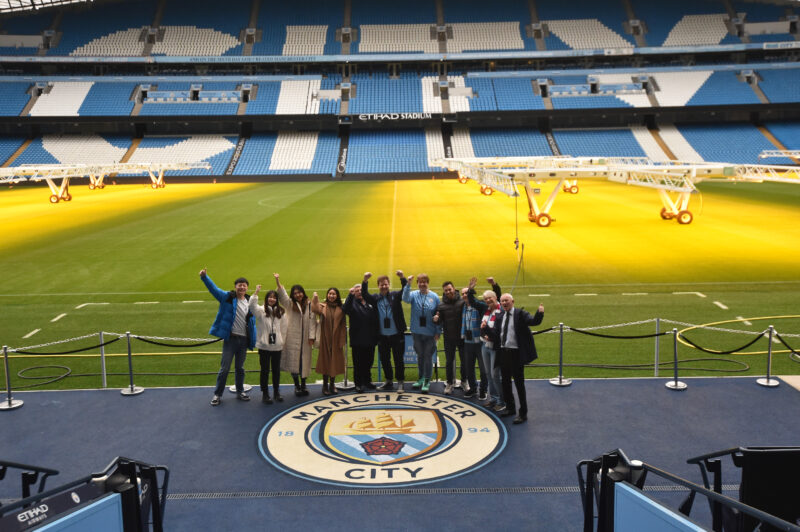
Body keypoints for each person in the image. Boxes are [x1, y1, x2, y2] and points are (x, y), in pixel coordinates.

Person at [483, 293, 544, 424]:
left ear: (513, 301)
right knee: (505, 383)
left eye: (507, 300)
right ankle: (510, 408)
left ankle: (523, 413)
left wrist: (539, 313)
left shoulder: (520, 314)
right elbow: (496, 335)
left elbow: (534, 321)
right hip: (503, 354)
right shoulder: (500, 316)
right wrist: (486, 328)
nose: (504, 303)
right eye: (502, 301)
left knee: (519, 384)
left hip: (516, 355)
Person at [199, 268, 256, 406]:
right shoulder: (227, 297)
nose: (242, 287)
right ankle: (217, 394)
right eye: (239, 285)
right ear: (235, 287)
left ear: (247, 288)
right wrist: (205, 277)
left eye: (244, 285)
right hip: (231, 340)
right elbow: (214, 289)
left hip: (243, 341)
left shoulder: (250, 301)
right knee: (224, 369)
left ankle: (240, 391)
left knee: (240, 368)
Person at [361, 271, 407, 391]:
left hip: (396, 335)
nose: (384, 286)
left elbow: (404, 290)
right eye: (381, 284)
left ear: (389, 284)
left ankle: (400, 382)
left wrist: (402, 278)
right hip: (382, 336)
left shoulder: (395, 296)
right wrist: (365, 280)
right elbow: (364, 294)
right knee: (385, 360)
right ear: (378, 286)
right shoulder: (375, 298)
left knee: (398, 360)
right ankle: (389, 380)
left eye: (386, 284)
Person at [275, 273, 317, 397]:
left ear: (303, 293)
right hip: (292, 338)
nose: (298, 295)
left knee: (304, 363)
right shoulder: (289, 304)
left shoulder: (309, 304)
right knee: (294, 362)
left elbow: (313, 321)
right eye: (295, 293)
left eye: (299, 292)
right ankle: (297, 385)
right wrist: (278, 281)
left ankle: (303, 384)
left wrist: (312, 336)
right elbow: (282, 295)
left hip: (306, 339)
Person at [468, 277, 505, 412]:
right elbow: (473, 301)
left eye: (490, 298)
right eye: (485, 299)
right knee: (489, 374)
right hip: (485, 345)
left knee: (496, 375)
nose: (488, 300)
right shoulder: (485, 308)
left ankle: (502, 400)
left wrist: (494, 284)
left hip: (496, 347)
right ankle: (494, 398)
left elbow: (500, 330)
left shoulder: (502, 310)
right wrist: (470, 289)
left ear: (496, 298)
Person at [461, 277, 501, 400]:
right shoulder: (464, 306)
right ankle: (474, 389)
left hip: (483, 343)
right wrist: (470, 289)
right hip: (469, 341)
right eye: (463, 294)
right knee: (470, 368)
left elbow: (496, 297)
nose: (465, 295)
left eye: (466, 293)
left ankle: (485, 391)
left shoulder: (483, 306)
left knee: (487, 371)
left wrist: (494, 285)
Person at [401, 273, 441, 393]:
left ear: (428, 283)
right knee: (420, 356)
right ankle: (421, 378)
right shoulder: (413, 294)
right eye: (420, 282)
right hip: (416, 333)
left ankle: (427, 380)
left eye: (424, 282)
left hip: (430, 333)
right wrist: (408, 284)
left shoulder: (434, 297)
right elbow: (405, 298)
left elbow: (439, 315)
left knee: (428, 357)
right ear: (417, 283)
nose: (422, 284)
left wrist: (438, 331)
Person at [250, 285, 288, 404]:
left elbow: (284, 329)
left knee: (276, 370)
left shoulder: (281, 312)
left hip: (277, 347)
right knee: (265, 371)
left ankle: (276, 392)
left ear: (277, 299)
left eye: (274, 297)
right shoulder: (260, 311)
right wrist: (256, 293)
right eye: (270, 297)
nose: (272, 299)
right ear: (266, 299)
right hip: (264, 347)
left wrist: (282, 342)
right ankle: (265, 393)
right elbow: (251, 306)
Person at [311, 287, 347, 395]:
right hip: (325, 339)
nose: (331, 296)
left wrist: (342, 340)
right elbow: (314, 309)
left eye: (334, 294)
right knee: (325, 362)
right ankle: (325, 385)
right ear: (327, 295)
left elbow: (343, 326)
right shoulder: (322, 306)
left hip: (336, 340)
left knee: (334, 362)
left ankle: (332, 384)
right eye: (330, 294)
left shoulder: (341, 308)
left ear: (337, 296)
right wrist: (315, 298)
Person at [344, 283, 379, 393]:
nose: (359, 292)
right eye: (357, 290)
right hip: (357, 339)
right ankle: (358, 384)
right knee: (358, 363)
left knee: (369, 362)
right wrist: (350, 296)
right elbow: (345, 309)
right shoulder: (352, 303)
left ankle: (367, 381)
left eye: (361, 290)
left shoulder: (370, 302)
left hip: (370, 338)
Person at [433, 281, 465, 395]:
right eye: (446, 290)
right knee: (449, 362)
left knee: (464, 361)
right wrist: (436, 320)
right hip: (449, 338)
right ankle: (449, 383)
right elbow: (439, 321)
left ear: (454, 289)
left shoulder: (463, 302)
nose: (448, 292)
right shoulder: (441, 305)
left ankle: (464, 381)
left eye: (449, 289)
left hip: (462, 337)